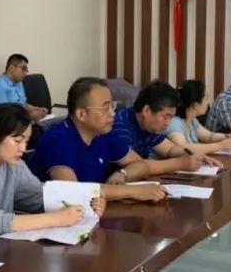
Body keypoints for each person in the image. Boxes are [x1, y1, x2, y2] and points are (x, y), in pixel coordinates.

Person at [0, 104, 106, 237]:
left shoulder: (13, 163)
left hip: (0, 245)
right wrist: (55, 219)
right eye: (17, 141)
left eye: (26, 141)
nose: (23, 148)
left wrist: (86, 203)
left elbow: (38, 197)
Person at [30, 77, 169, 202]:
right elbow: (72, 192)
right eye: (105, 108)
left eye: (112, 106)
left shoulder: (103, 133)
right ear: (82, 114)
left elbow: (141, 164)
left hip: (95, 210)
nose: (113, 113)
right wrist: (133, 192)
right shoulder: (57, 140)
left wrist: (122, 174)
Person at [112, 81, 217, 170]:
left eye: (171, 118)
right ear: (147, 111)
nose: (168, 123)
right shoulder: (122, 127)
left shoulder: (148, 125)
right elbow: (138, 165)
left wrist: (193, 154)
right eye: (166, 117)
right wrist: (180, 163)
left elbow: (169, 150)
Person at [167, 80, 231, 157]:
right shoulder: (175, 122)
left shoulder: (192, 121)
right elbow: (184, 149)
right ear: (195, 105)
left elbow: (209, 136)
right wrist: (220, 146)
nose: (208, 103)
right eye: (206, 99)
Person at [0, 53, 49, 120]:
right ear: (12, 68)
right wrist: (30, 116)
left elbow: (23, 104)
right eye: (23, 69)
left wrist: (38, 109)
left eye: (26, 70)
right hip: (8, 123)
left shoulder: (19, 82)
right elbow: (5, 116)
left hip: (22, 120)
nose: (25, 73)